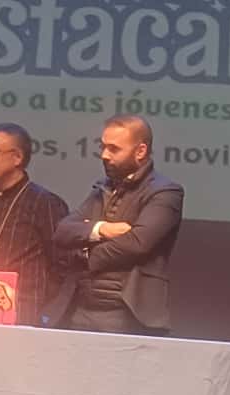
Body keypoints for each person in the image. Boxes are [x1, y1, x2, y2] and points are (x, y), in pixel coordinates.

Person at [48, 114, 184, 335]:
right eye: (103, 147)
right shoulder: (102, 188)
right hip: (80, 306)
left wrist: (85, 256)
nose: (104, 155)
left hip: (125, 312)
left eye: (114, 149)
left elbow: (137, 243)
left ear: (140, 151)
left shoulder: (165, 192)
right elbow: (63, 231)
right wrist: (102, 228)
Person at [0, 123, 70, 325]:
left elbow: (61, 266)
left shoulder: (45, 202)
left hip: (26, 313)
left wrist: (44, 314)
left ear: (18, 157)